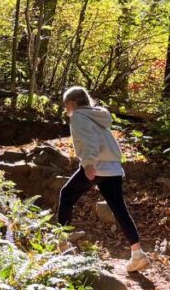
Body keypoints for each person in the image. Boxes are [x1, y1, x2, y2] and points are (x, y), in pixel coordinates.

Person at [59, 85, 151, 272]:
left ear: (72, 103)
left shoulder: (78, 116)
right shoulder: (97, 115)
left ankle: (62, 246)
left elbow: (88, 140)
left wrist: (89, 163)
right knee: (119, 209)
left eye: (65, 105)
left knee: (66, 195)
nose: (65, 109)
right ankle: (137, 254)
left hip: (98, 166)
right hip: (113, 168)